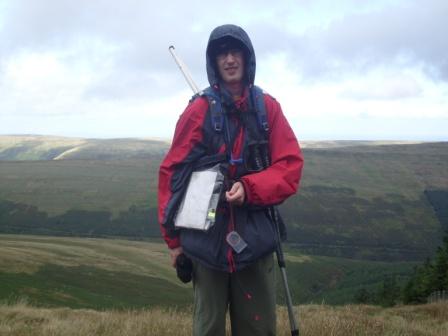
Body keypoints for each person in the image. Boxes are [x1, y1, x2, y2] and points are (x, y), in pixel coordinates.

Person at [158, 24, 304, 336]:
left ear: (247, 57)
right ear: (213, 61)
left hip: (255, 243)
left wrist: (251, 188)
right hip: (205, 245)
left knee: (258, 329)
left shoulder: (267, 109)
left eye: (234, 51)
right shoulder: (198, 111)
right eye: (221, 53)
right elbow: (173, 173)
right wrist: (173, 242)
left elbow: (289, 167)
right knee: (208, 329)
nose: (229, 59)